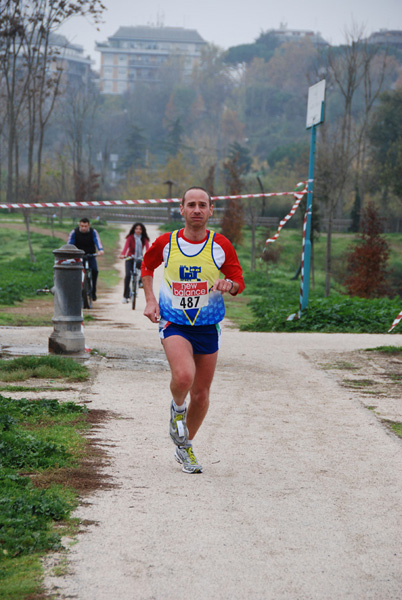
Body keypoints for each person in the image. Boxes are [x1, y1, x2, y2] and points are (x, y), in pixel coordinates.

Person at [142, 186, 244, 474]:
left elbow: (237, 280)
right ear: (182, 209)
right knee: (184, 375)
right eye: (191, 204)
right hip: (174, 321)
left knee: (201, 395)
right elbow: (147, 267)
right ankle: (176, 408)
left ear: (211, 211)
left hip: (208, 324)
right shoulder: (167, 242)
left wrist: (229, 285)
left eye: (203, 205)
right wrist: (150, 300)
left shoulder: (221, 244)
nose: (197, 210)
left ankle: (185, 446)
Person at [67, 217, 104, 301]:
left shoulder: (93, 232)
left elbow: (97, 241)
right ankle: (76, 292)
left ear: (89, 225)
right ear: (79, 225)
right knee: (75, 274)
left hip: (91, 255)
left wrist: (100, 250)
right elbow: (70, 243)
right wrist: (69, 251)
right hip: (78, 256)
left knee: (94, 271)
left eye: (85, 226)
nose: (84, 228)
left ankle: (93, 291)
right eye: (82, 226)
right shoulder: (74, 232)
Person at [119, 222, 150, 303]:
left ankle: (140, 282)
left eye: (140, 229)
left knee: (143, 269)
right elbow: (126, 247)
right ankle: (125, 296)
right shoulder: (130, 238)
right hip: (130, 258)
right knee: (128, 276)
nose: (138, 230)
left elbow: (148, 248)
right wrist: (123, 254)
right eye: (136, 229)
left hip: (139, 258)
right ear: (133, 229)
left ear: (142, 230)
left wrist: (149, 255)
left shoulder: (144, 238)